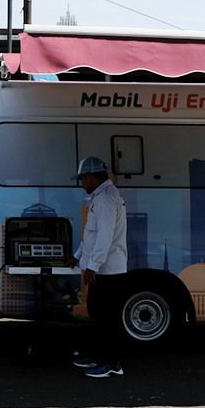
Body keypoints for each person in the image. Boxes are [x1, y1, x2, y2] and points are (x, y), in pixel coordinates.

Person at [65, 156, 128, 378]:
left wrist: (92, 267)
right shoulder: (100, 196)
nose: (82, 183)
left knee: (106, 319)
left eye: (82, 178)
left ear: (90, 176)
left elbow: (105, 235)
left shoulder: (106, 198)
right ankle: (97, 357)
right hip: (102, 269)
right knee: (97, 314)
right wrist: (77, 257)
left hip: (108, 271)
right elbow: (91, 235)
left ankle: (111, 364)